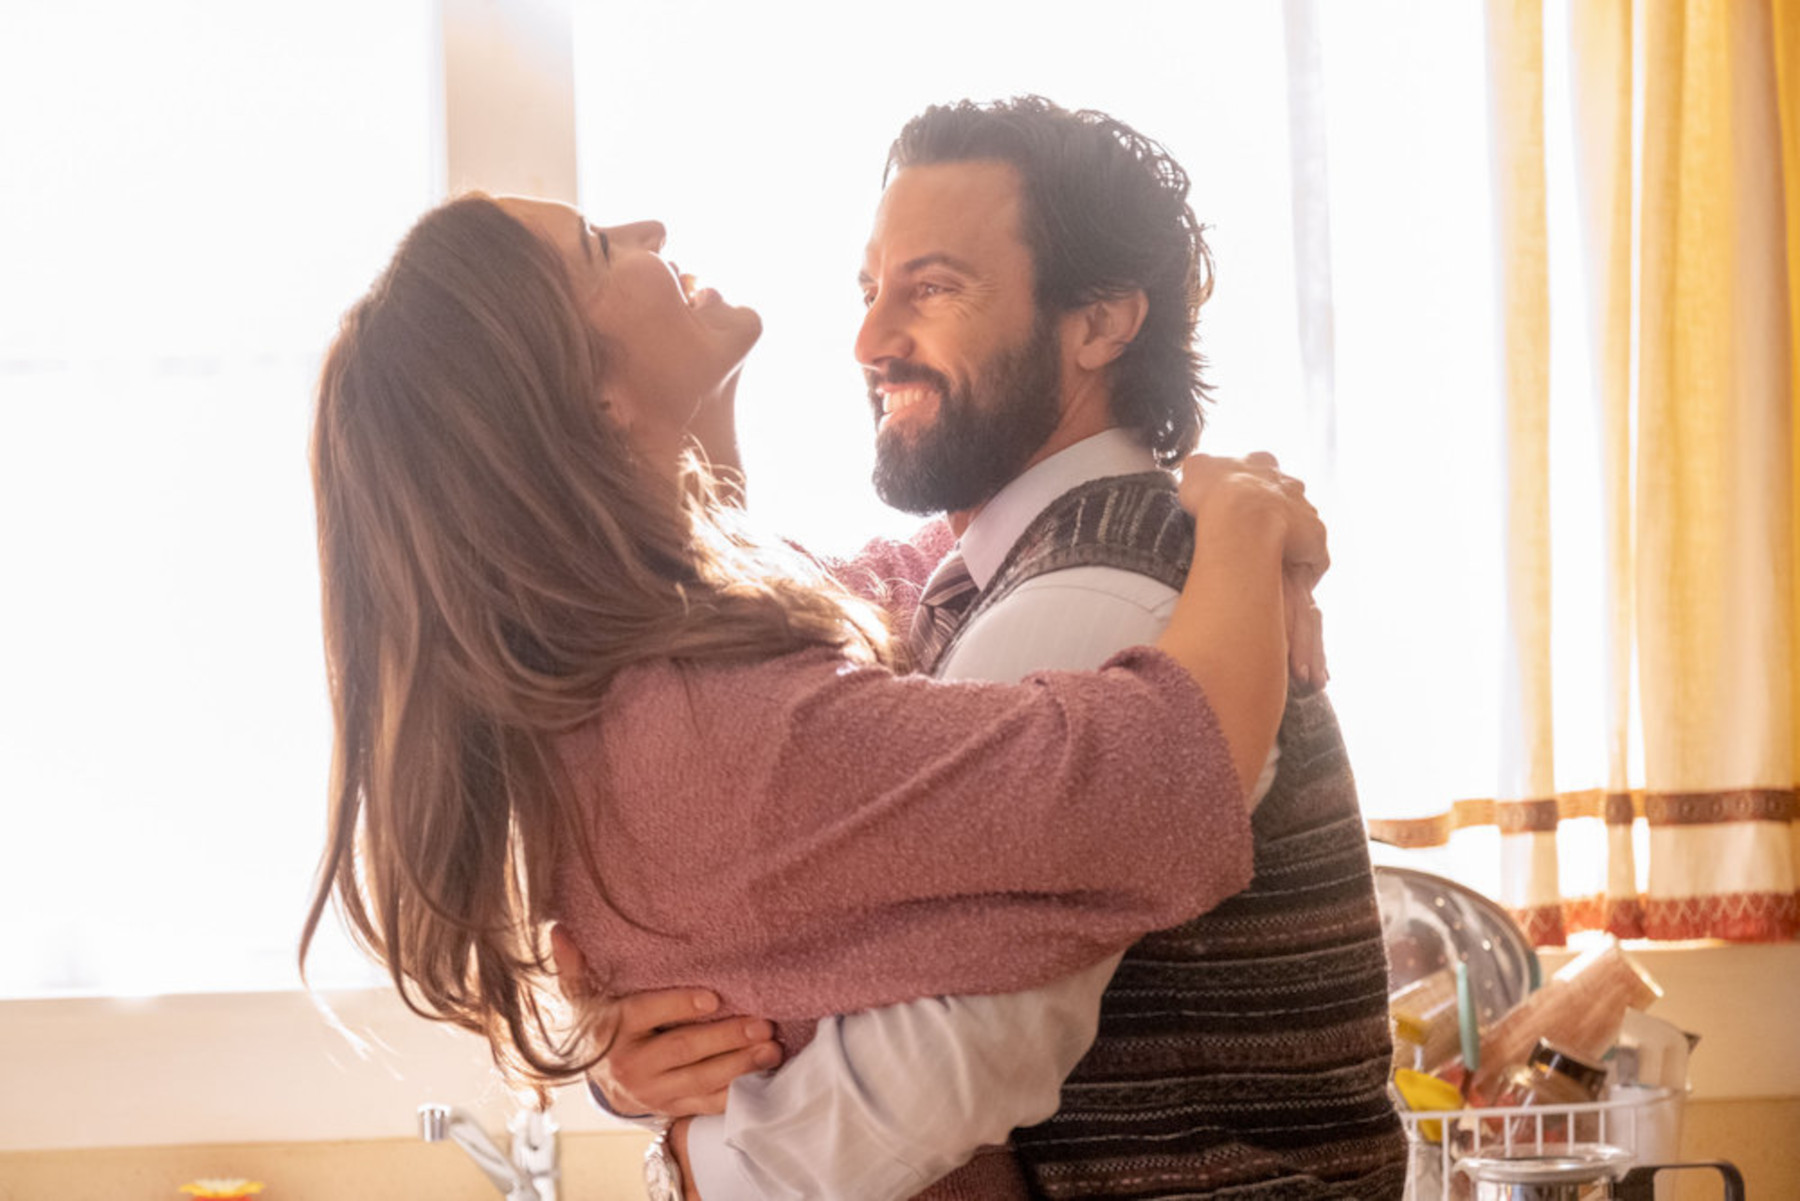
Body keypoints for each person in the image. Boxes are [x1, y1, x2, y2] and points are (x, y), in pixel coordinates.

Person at [297, 188, 1331, 1198]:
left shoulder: (646, 677)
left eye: (926, 286)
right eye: (599, 249)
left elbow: (927, 573)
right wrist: (1240, 521)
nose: (650, 225)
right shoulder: (710, 731)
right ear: (591, 401)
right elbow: (1157, 783)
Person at [581, 97, 1409, 1200]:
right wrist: (632, 1059)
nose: (872, 341)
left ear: (1102, 323)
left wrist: (690, 1157)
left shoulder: (1101, 587)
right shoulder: (973, 575)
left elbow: (938, 1068)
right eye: (870, 289)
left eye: (932, 287)